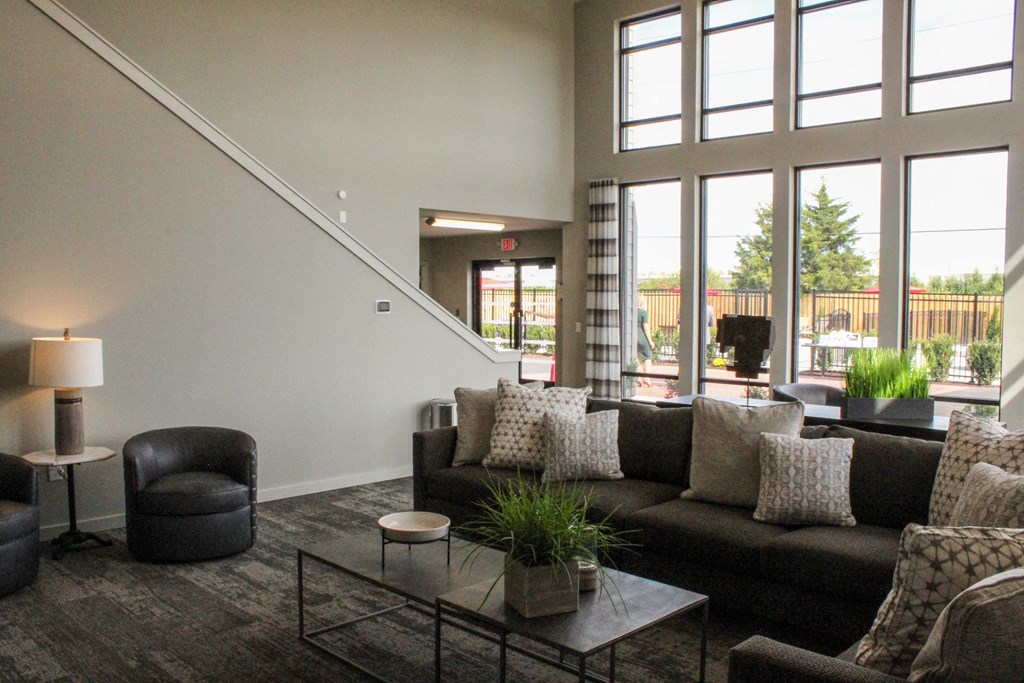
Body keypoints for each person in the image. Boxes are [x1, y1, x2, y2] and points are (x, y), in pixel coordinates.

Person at [637, 293, 655, 387]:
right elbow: (646, 328)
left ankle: (637, 378)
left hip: (633, 337)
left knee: (636, 357)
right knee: (648, 356)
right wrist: (650, 341)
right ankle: (647, 378)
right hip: (642, 337)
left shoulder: (631, 311)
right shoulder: (643, 312)